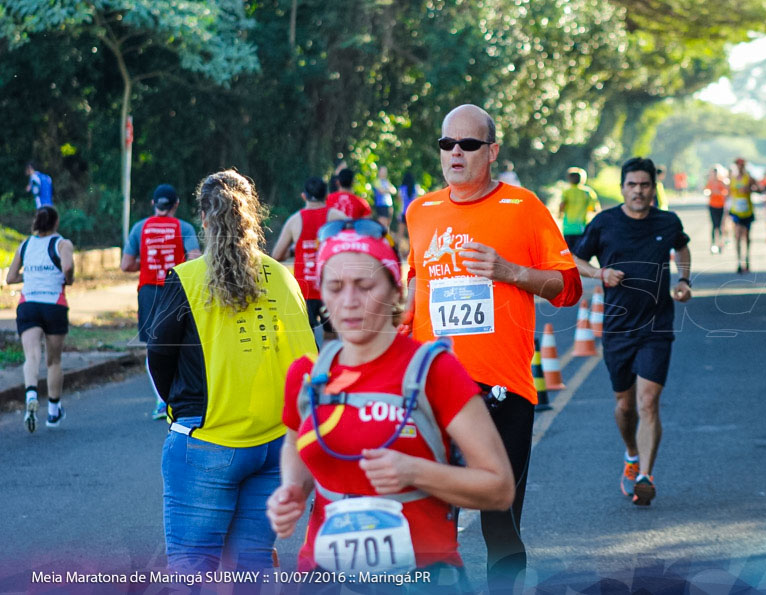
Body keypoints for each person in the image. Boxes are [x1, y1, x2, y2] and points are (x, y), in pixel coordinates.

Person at [266, 222, 515, 584]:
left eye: (365, 286)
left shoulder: (435, 371)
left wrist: (413, 472)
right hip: (323, 575)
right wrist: (291, 489)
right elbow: (294, 442)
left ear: (395, 289)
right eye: (334, 287)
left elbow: (499, 488)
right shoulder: (307, 374)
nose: (348, 301)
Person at [404, 104, 582, 590]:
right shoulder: (420, 211)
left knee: (498, 523)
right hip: (432, 391)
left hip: (503, 391)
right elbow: (415, 289)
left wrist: (511, 273)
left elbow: (569, 289)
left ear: (493, 150)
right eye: (447, 144)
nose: (456, 153)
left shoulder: (524, 207)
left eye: (469, 144)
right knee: (429, 524)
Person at [147, 170, 316, 572]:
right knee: (250, 567)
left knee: (191, 569)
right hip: (274, 446)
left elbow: (159, 355)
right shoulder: (281, 276)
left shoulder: (187, 279)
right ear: (252, 217)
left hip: (206, 438)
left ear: (204, 218)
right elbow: (306, 363)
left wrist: (183, 408)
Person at [571, 157, 692, 507]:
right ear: (623, 187)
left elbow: (681, 247)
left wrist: (683, 280)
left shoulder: (667, 222)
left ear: (654, 188)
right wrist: (599, 274)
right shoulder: (605, 223)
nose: (638, 191)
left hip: (657, 326)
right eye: (632, 185)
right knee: (625, 406)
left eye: (645, 185)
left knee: (648, 402)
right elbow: (573, 259)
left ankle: (645, 477)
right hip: (618, 328)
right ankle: (631, 454)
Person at [121, 184, 201, 419]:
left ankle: (160, 401)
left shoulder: (140, 227)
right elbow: (195, 258)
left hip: (148, 291)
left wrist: (146, 264)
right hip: (176, 289)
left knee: (153, 344)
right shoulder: (183, 227)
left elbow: (126, 265)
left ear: (154, 204)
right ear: (176, 204)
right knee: (181, 340)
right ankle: (181, 396)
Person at [7, 206, 74, 433]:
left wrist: (33, 274)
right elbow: (68, 267)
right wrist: (69, 279)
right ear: (55, 223)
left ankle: (31, 394)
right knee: (53, 361)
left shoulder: (24, 245)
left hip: (28, 305)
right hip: (54, 305)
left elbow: (10, 277)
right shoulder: (62, 243)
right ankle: (53, 413)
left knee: (32, 356)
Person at [270, 177, 334, 342]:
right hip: (331, 289)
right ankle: (330, 365)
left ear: (304, 196)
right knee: (332, 338)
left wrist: (294, 250)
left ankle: (312, 366)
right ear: (326, 195)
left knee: (308, 338)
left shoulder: (294, 220)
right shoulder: (336, 216)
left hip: (304, 291)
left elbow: (276, 255)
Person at [729, 157, 759, 274]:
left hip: (747, 212)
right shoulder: (732, 179)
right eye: (738, 165)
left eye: (742, 165)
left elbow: (758, 188)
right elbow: (729, 193)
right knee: (737, 236)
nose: (740, 167)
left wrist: (750, 189)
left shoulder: (749, 178)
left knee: (746, 237)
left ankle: (746, 260)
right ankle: (738, 261)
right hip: (736, 211)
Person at [558, 167, 599, 252]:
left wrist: (559, 214)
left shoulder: (567, 191)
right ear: (582, 179)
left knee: (570, 253)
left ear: (569, 179)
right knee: (580, 253)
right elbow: (594, 209)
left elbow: (562, 205)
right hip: (582, 228)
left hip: (568, 228)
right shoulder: (587, 192)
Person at [703, 166, 729, 254]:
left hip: (720, 206)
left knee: (720, 226)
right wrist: (710, 193)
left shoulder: (721, 182)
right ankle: (713, 244)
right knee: (714, 226)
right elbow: (706, 191)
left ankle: (720, 243)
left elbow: (726, 193)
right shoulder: (710, 182)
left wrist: (718, 192)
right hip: (712, 206)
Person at [371, 165, 397, 230]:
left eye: (385, 171)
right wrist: (389, 190)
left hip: (389, 204)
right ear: (379, 172)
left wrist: (387, 190)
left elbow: (394, 190)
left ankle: (386, 238)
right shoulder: (377, 181)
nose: (384, 173)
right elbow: (381, 191)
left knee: (388, 223)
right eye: (382, 171)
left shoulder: (387, 181)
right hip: (381, 205)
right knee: (382, 223)